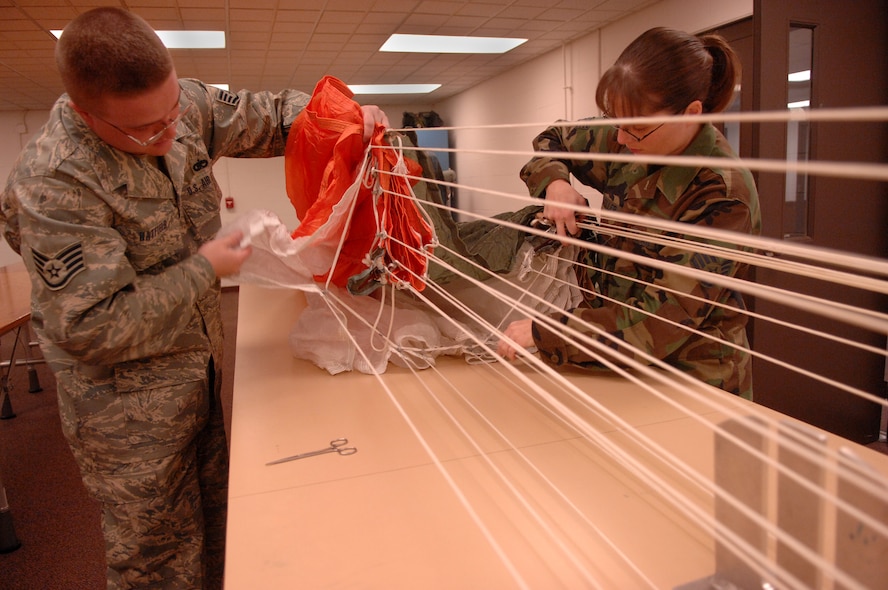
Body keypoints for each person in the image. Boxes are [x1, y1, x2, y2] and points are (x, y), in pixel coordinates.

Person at [0, 7, 388, 589]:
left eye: (172, 113)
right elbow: (91, 325)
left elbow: (277, 116)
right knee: (156, 563)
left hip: (197, 372)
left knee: (215, 533)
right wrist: (205, 269)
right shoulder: (54, 182)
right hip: (128, 416)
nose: (167, 135)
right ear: (84, 113)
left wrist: (347, 119)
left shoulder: (181, 106)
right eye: (143, 131)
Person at [497, 27, 761, 399]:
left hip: (693, 380)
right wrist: (555, 184)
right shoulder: (628, 139)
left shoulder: (722, 194)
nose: (619, 139)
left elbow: (662, 320)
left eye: (634, 129)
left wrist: (545, 333)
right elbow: (553, 138)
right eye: (615, 121)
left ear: (690, 114)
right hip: (613, 360)